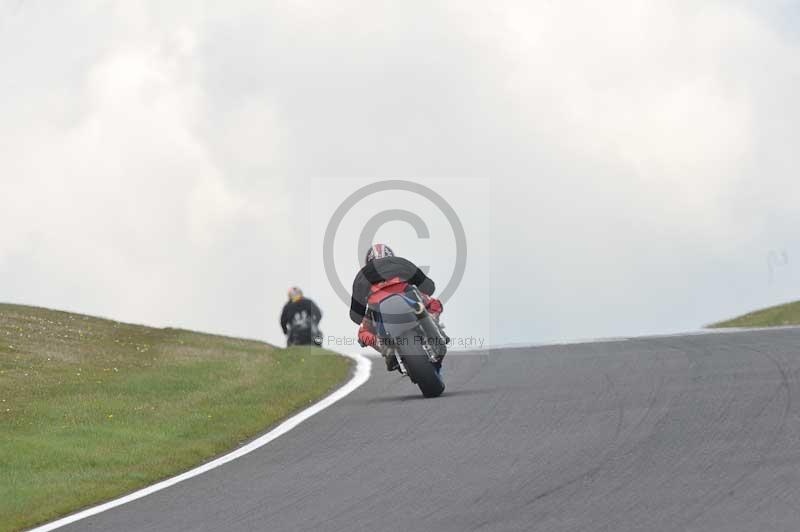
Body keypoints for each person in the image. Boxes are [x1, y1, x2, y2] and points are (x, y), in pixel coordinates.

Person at [350, 244, 445, 371]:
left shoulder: (362, 275)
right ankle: (435, 330)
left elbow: (356, 316)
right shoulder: (400, 262)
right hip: (407, 295)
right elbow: (429, 287)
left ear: (368, 262)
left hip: (377, 306)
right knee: (432, 304)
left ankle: (387, 351)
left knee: (363, 332)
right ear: (391, 256)